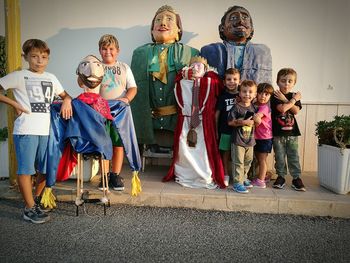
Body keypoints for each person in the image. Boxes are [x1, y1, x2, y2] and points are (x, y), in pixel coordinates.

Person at [0, 39, 72, 223]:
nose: (39, 61)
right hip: (26, 130)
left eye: (43, 57)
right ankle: (29, 209)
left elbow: (66, 95)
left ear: (48, 59)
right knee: (26, 169)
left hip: (46, 132)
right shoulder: (19, 76)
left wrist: (67, 101)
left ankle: (35, 201)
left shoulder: (51, 78)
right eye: (34, 56)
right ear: (26, 57)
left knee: (46, 169)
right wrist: (14, 103)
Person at [131, 5, 199, 150]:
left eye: (169, 19)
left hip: (178, 116)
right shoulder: (140, 53)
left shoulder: (191, 53)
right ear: (152, 30)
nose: (162, 23)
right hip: (149, 116)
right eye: (158, 20)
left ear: (178, 30)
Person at [163, 56, 225, 189]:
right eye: (194, 65)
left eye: (199, 66)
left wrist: (202, 80)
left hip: (203, 123)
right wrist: (185, 75)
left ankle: (203, 174)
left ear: (205, 68)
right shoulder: (183, 80)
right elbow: (178, 80)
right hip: (186, 120)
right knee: (185, 149)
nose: (196, 68)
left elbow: (218, 84)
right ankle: (185, 174)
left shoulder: (211, 79)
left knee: (202, 151)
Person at [98, 34, 137, 191]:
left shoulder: (124, 67)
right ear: (100, 51)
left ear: (117, 51)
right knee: (103, 144)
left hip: (120, 111)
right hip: (100, 111)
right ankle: (104, 176)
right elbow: (84, 83)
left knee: (118, 144)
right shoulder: (95, 66)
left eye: (111, 49)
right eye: (104, 49)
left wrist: (126, 99)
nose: (108, 52)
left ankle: (115, 174)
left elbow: (133, 88)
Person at [200, 5, 272, 84]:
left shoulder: (262, 52)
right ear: (222, 28)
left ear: (251, 29)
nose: (240, 21)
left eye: (245, 17)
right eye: (233, 18)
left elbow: (266, 86)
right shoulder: (210, 51)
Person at [271, 68, 305, 191]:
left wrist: (289, 99)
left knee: (293, 156)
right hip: (278, 133)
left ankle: (296, 178)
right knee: (279, 156)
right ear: (277, 81)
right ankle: (281, 176)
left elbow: (295, 111)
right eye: (283, 81)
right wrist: (292, 100)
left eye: (290, 81)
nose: (286, 84)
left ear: (294, 83)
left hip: (292, 133)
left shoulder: (293, 96)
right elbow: (283, 109)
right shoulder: (274, 96)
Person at [228, 80, 260, 193]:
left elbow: (256, 123)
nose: (247, 94)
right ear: (240, 93)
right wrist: (243, 122)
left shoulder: (254, 108)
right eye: (244, 91)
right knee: (238, 162)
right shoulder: (236, 108)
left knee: (248, 161)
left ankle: (244, 177)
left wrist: (257, 121)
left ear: (255, 94)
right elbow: (230, 122)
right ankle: (237, 183)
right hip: (238, 140)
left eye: (250, 92)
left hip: (250, 140)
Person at [215, 68, 240, 186]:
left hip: (240, 131)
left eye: (235, 79)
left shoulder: (242, 95)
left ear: (239, 81)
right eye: (229, 79)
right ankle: (225, 173)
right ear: (224, 82)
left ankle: (240, 175)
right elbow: (217, 115)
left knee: (239, 154)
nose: (232, 81)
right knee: (225, 153)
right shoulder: (222, 97)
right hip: (225, 130)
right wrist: (215, 131)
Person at [251, 83, 274, 188]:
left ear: (270, 96)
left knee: (261, 159)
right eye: (260, 93)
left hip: (265, 137)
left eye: (266, 94)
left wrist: (254, 120)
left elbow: (257, 119)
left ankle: (260, 181)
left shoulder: (264, 107)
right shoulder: (256, 105)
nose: (263, 96)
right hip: (258, 137)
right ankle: (264, 176)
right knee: (259, 158)